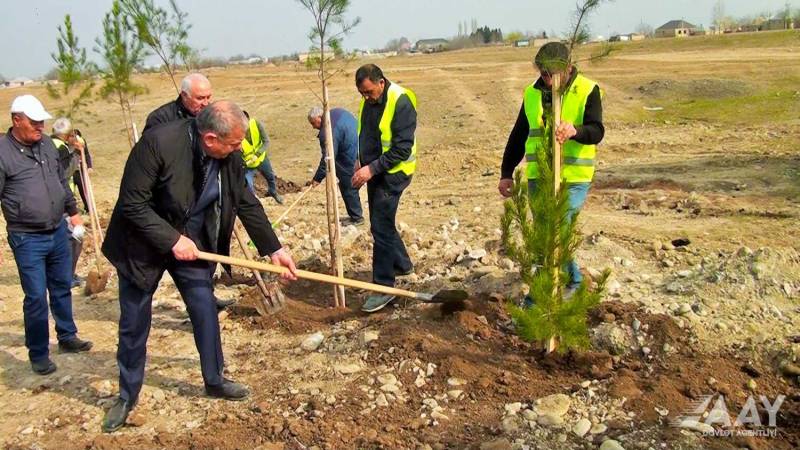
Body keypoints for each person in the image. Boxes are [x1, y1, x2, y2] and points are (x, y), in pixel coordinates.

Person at [100, 101, 298, 432]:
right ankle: (126, 396)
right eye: (234, 144)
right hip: (142, 241)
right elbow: (133, 203)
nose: (238, 149)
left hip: (191, 237)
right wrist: (171, 239)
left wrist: (274, 249)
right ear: (210, 139)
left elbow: (245, 200)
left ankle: (215, 379)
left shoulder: (230, 153)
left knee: (204, 307)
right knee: (134, 321)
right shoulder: (158, 144)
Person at [498, 42, 605, 299]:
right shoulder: (532, 94)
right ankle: (566, 281)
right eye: (542, 74)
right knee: (544, 231)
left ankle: (549, 293)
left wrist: (575, 131)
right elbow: (519, 135)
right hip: (538, 176)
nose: (546, 80)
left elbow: (597, 131)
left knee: (558, 226)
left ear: (567, 68)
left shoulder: (587, 89)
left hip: (574, 176)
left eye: (551, 74)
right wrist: (506, 172)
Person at [0, 95, 93, 375]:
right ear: (17, 120)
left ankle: (67, 336)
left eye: (42, 121)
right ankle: (38, 352)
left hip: (57, 231)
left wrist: (74, 214)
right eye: (34, 122)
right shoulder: (2, 152)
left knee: (62, 286)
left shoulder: (47, 147)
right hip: (27, 237)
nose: (40, 126)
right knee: (36, 296)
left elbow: (60, 183)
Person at [351, 64, 417, 313]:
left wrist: (370, 169)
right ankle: (402, 265)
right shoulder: (368, 101)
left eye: (369, 92)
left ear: (381, 82)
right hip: (375, 171)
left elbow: (402, 149)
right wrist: (360, 159)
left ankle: (384, 287)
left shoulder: (401, 102)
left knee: (380, 226)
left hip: (394, 173)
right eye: (362, 94)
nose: (366, 97)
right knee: (382, 223)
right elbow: (366, 133)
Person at [307, 106, 363, 225]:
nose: (313, 127)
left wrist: (317, 178)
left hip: (349, 155)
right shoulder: (336, 112)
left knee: (348, 185)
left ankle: (357, 218)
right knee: (347, 184)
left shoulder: (327, 133)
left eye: (313, 123)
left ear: (319, 117)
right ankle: (354, 215)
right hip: (359, 145)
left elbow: (327, 158)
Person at [51, 118, 88, 287]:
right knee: (75, 238)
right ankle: (67, 276)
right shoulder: (61, 149)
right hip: (63, 203)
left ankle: (65, 274)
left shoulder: (49, 144)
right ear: (67, 135)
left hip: (55, 201)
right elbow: (64, 174)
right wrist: (77, 152)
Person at [143, 73, 212, 132]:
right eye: (200, 98)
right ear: (184, 95)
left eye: (208, 97)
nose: (205, 103)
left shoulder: (213, 115)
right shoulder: (161, 119)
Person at [241, 111, 283, 204]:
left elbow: (266, 141)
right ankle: (254, 202)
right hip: (247, 164)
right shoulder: (235, 131)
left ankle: (273, 192)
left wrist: (257, 155)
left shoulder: (256, 124)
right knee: (248, 185)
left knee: (270, 177)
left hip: (260, 158)